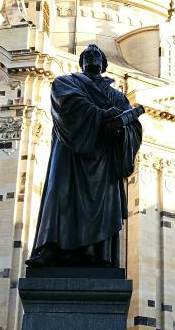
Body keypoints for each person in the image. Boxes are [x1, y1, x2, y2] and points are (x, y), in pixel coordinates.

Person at [27, 44, 144, 268]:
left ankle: (97, 254)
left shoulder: (117, 95)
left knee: (102, 205)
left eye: (96, 54)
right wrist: (103, 115)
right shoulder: (66, 82)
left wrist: (121, 128)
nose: (92, 56)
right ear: (80, 63)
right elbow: (69, 104)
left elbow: (134, 128)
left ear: (103, 63)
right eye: (87, 55)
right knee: (59, 193)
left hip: (103, 157)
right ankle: (50, 248)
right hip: (70, 151)